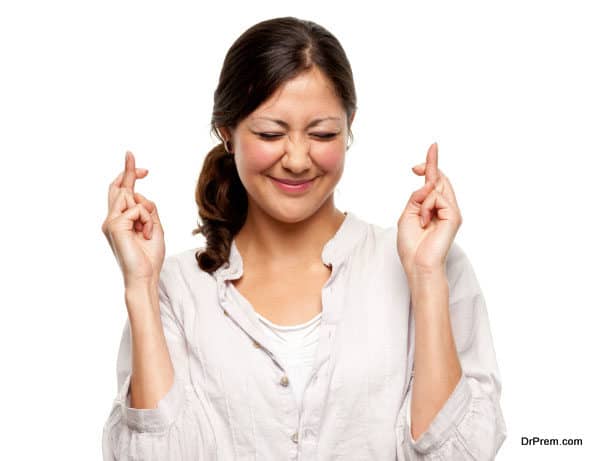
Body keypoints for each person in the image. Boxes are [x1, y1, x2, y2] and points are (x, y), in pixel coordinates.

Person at [101, 16, 506, 460]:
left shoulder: (427, 260)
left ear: (349, 127)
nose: (297, 159)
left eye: (322, 134)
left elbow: (457, 455)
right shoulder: (175, 287)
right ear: (227, 133)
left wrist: (426, 277)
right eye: (271, 134)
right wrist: (139, 286)